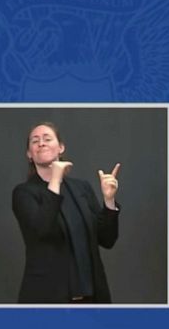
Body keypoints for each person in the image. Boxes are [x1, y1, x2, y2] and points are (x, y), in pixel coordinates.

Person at [11, 122, 121, 303]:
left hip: (93, 299)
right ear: (29, 154)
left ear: (61, 147)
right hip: (48, 299)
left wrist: (109, 200)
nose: (41, 143)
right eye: (35, 141)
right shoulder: (23, 193)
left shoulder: (81, 188)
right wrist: (55, 178)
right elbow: (42, 230)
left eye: (47, 139)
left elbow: (107, 240)